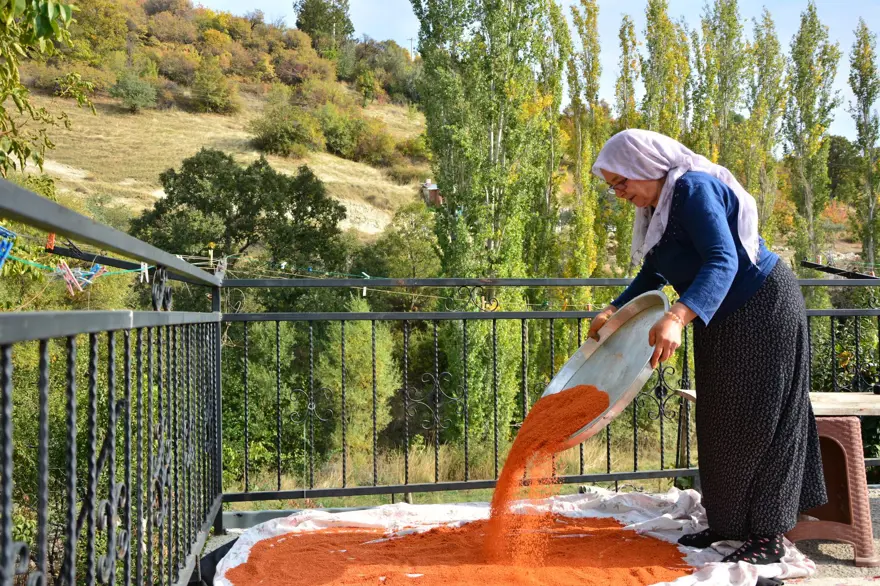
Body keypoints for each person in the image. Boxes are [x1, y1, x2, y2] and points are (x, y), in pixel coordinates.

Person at [587, 129, 826, 565]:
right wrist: (613, 308)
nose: (618, 193)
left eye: (621, 181)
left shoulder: (693, 189)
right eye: (612, 186)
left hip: (763, 306)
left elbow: (723, 259)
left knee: (761, 419)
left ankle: (768, 535)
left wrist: (677, 316)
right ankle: (728, 526)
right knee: (720, 419)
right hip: (718, 316)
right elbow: (653, 273)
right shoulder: (658, 210)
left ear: (645, 166)